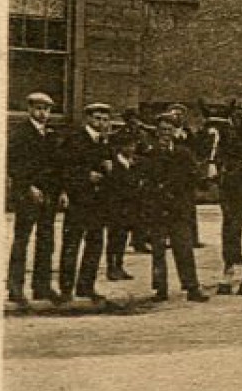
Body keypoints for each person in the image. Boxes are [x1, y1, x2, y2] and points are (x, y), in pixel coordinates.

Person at [144, 113, 210, 302]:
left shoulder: (184, 153)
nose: (166, 134)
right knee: (158, 251)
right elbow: (146, 180)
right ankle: (160, 289)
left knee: (184, 248)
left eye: (169, 130)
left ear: (175, 132)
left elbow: (194, 178)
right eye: (162, 130)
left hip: (178, 210)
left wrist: (201, 181)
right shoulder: (150, 154)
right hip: (158, 209)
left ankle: (191, 287)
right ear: (157, 133)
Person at [6, 91, 63, 305]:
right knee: (22, 239)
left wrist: (61, 191)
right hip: (27, 194)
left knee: (46, 240)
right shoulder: (20, 133)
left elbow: (58, 166)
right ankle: (15, 288)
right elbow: (14, 163)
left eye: (46, 109)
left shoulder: (51, 134)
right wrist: (29, 186)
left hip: (49, 194)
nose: (42, 113)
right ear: (29, 109)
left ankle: (42, 286)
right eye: (38, 108)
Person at [59, 102, 114, 304]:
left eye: (105, 119)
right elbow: (64, 168)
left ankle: (86, 286)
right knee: (72, 243)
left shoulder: (105, 142)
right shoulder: (75, 140)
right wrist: (85, 175)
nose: (102, 123)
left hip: (98, 203)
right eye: (98, 118)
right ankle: (66, 289)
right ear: (88, 119)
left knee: (95, 244)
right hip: (79, 200)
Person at [103, 127, 145, 282]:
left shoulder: (135, 162)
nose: (131, 148)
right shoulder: (113, 163)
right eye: (127, 145)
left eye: (133, 145)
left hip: (130, 206)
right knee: (113, 237)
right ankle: (111, 267)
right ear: (121, 146)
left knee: (123, 237)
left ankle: (119, 266)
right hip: (116, 206)